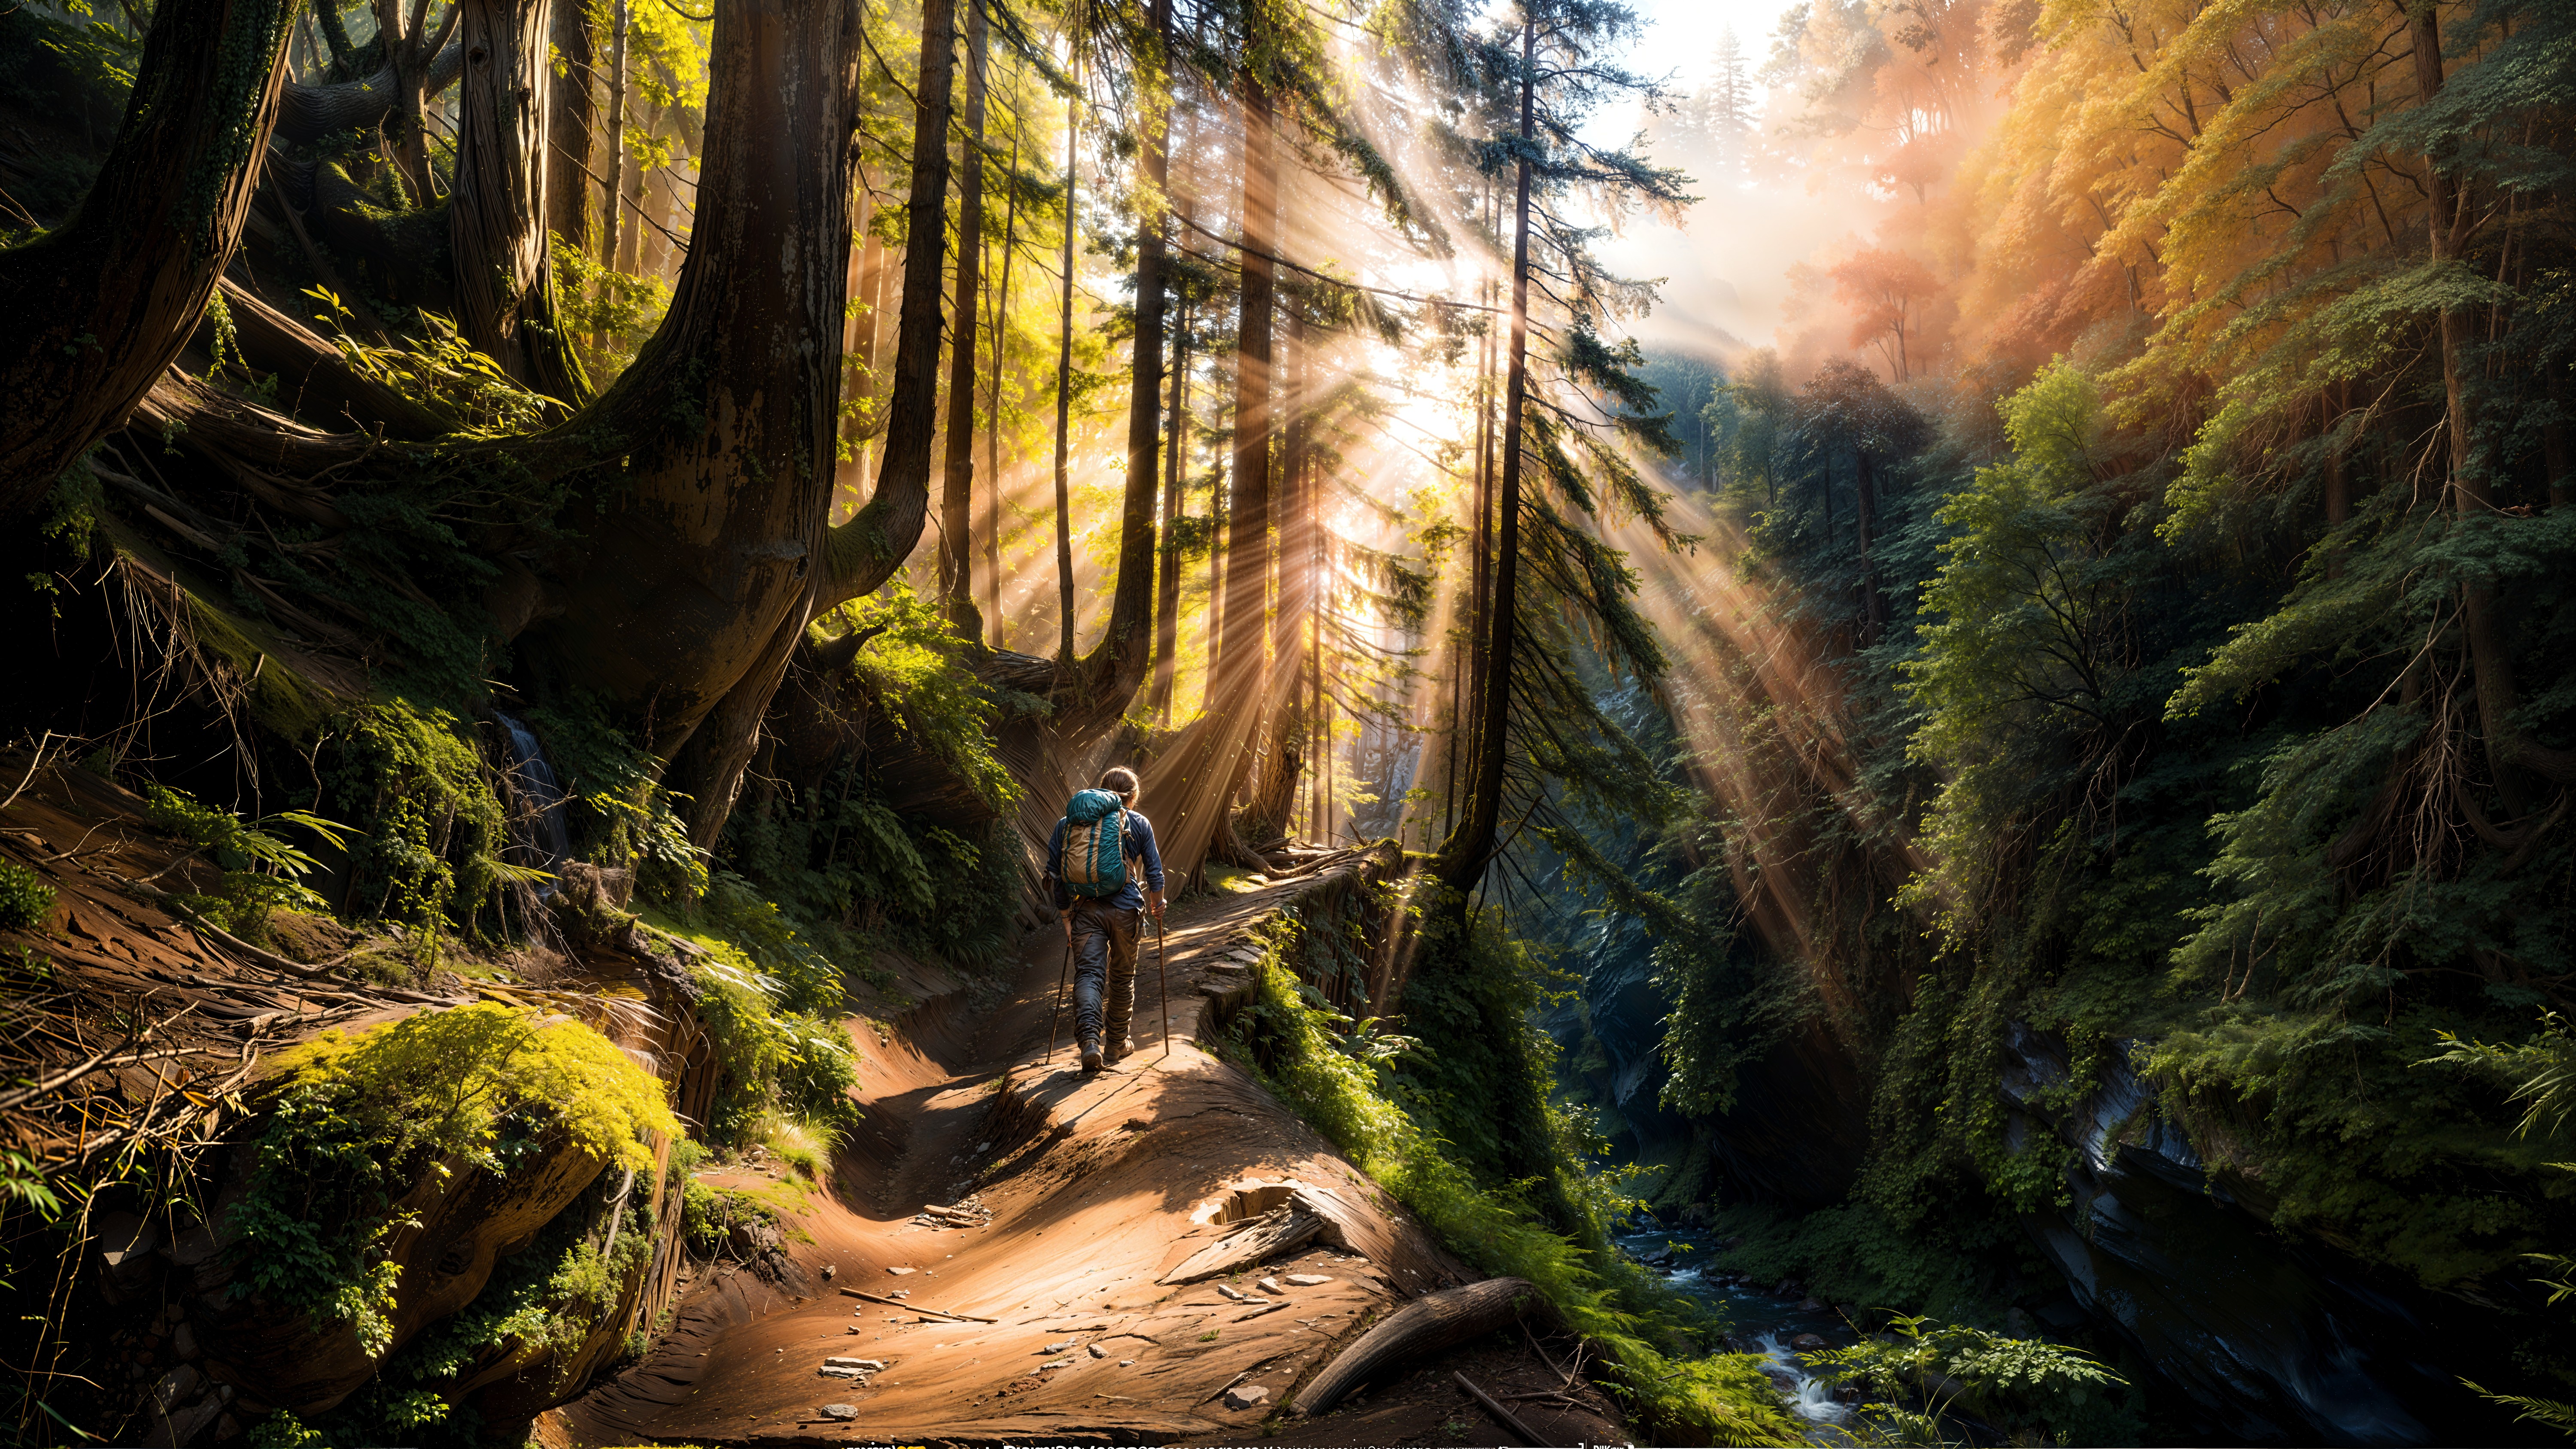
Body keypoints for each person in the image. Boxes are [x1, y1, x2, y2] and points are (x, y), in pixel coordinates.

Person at [1046, 766, 1166, 1072]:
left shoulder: (1068, 824)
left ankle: (1089, 1042)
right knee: (1122, 977)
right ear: (1133, 797)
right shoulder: (1139, 823)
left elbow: (1056, 877)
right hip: (1127, 911)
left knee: (1088, 976)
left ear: (1101, 790)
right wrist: (1158, 904)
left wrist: (1066, 920)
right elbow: (1154, 873)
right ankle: (1115, 1044)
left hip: (1085, 912)